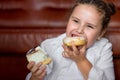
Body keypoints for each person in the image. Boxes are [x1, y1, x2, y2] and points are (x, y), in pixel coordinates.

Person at [25, 0, 116, 80]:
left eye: (89, 26)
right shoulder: (49, 46)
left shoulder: (103, 48)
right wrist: (35, 77)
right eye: (76, 21)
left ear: (100, 33)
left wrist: (81, 60)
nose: (79, 30)